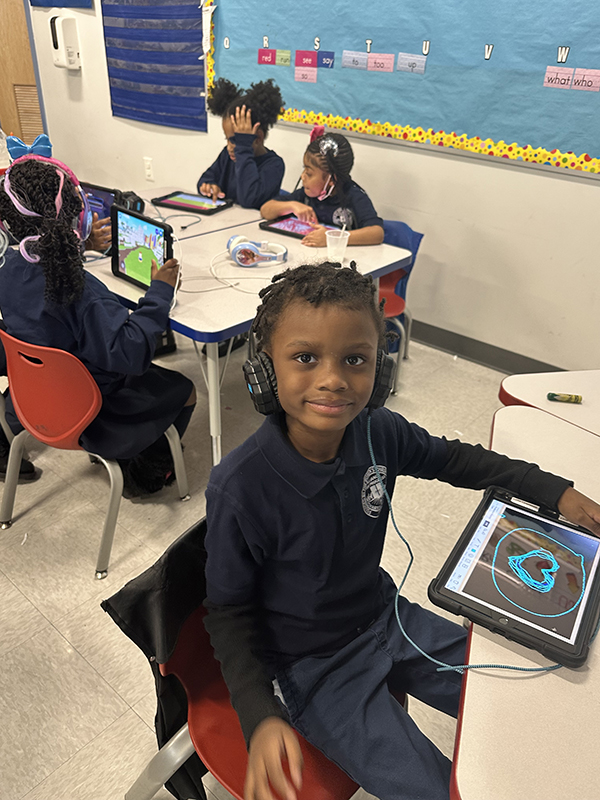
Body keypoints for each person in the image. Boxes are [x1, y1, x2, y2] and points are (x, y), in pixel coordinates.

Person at [203, 262, 600, 800]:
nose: (333, 379)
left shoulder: (377, 430)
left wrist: (554, 491)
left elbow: (456, 460)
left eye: (355, 359)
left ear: (381, 370)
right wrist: (259, 714)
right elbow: (227, 613)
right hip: (314, 666)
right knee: (440, 791)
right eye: (305, 358)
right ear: (264, 370)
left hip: (385, 616)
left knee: (523, 710)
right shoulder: (240, 487)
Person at [0, 155, 196, 497]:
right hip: (93, 410)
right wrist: (160, 293)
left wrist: (79, 247)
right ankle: (144, 475)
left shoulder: (7, 268)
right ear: (76, 216)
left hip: (35, 398)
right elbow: (131, 353)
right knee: (185, 388)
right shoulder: (80, 290)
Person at [260, 128, 384, 247]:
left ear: (332, 179)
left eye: (309, 173)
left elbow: (377, 233)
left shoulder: (353, 196)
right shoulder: (306, 195)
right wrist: (291, 205)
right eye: (304, 170)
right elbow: (265, 210)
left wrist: (333, 238)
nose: (302, 176)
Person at [198, 78, 285, 209]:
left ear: (258, 137)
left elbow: (249, 199)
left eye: (236, 141)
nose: (229, 147)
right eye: (227, 139)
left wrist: (243, 149)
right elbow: (206, 178)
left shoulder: (274, 165)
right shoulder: (227, 156)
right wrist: (209, 186)